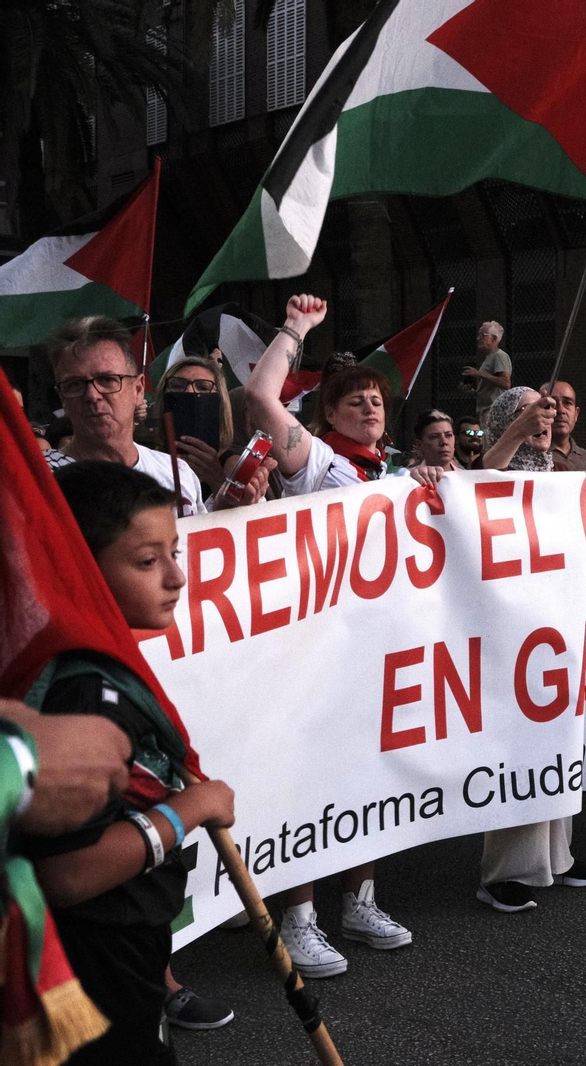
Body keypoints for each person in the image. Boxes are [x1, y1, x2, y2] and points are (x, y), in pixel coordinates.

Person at [18, 462, 237, 1064]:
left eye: (175, 551)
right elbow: (67, 874)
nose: (176, 577)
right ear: (81, 572)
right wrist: (189, 809)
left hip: (127, 942)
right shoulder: (85, 697)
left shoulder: (105, 666)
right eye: (147, 561)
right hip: (93, 953)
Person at [244, 295, 430, 977]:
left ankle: (361, 902)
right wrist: (297, 327)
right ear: (324, 416)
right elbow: (262, 397)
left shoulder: (400, 474)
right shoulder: (317, 463)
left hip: (378, 652)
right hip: (314, 652)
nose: (369, 408)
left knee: (367, 776)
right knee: (311, 783)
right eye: (353, 401)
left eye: (376, 401)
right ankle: (299, 920)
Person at [472, 387, 586, 910]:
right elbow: (482, 479)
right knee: (518, 746)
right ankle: (506, 872)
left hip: (557, 625)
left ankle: (557, 858)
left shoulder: (559, 480)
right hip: (511, 628)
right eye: (530, 410)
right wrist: (517, 429)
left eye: (547, 411)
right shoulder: (501, 469)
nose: (544, 418)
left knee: (558, 737)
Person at [44, 318, 208, 515]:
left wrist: (227, 508)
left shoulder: (178, 473)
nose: (92, 395)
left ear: (138, 389)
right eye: (74, 385)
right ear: (62, 398)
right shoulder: (41, 480)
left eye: (107, 380)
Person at [151, 356, 235, 496]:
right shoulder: (148, 463)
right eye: (178, 386)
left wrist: (217, 480)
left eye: (203, 387)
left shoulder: (233, 466)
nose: (189, 392)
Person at [463, 321, 512, 424]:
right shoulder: (489, 358)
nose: (478, 339)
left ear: (494, 338)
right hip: (485, 410)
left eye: (482, 335)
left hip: (493, 410)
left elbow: (505, 383)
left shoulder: (499, 356)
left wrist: (479, 374)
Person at [547, 381, 586, 472]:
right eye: (552, 403)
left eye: (567, 403)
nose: (560, 410)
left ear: (576, 414)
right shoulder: (526, 458)